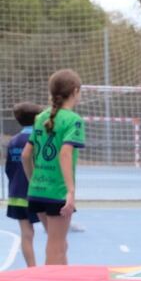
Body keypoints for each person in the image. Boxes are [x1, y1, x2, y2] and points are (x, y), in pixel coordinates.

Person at [23, 69, 85, 266]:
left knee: (60, 245)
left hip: (37, 190)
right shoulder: (73, 120)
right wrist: (70, 191)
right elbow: (65, 154)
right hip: (56, 191)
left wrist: (34, 180)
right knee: (56, 246)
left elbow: (26, 155)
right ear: (75, 91)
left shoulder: (40, 118)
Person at [6, 102, 44, 267]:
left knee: (26, 234)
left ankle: (32, 269)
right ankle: (54, 268)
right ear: (38, 119)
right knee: (54, 233)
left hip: (16, 194)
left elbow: (8, 169)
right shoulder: (38, 138)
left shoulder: (13, 141)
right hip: (38, 193)